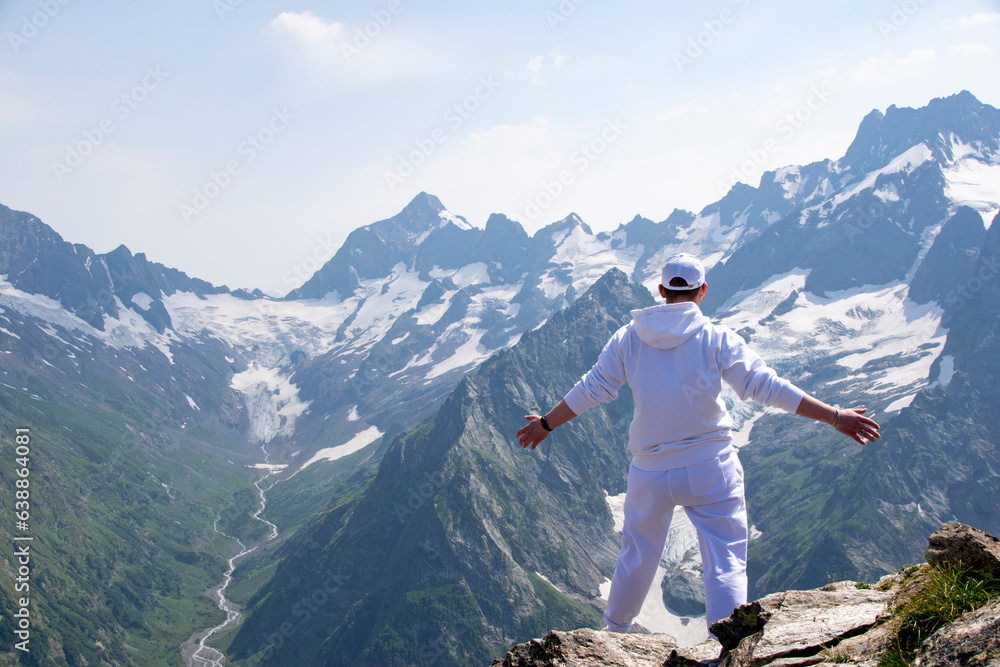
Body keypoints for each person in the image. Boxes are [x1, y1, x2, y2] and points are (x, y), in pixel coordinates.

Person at [515, 252, 880, 635]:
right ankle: (724, 647)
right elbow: (767, 387)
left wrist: (545, 424)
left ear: (660, 291)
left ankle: (615, 635)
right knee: (725, 561)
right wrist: (836, 416)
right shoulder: (716, 338)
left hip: (650, 472)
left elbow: (593, 388)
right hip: (711, 467)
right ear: (702, 290)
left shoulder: (629, 338)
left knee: (636, 557)